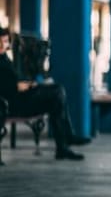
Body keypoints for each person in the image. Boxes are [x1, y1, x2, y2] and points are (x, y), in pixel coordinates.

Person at [0, 26, 88, 160]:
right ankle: (66, 140)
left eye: (5, 41)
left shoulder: (4, 58)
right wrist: (20, 86)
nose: (2, 45)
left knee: (57, 96)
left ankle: (63, 146)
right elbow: (8, 87)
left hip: (19, 97)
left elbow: (13, 81)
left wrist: (26, 85)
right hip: (11, 104)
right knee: (57, 92)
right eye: (0, 41)